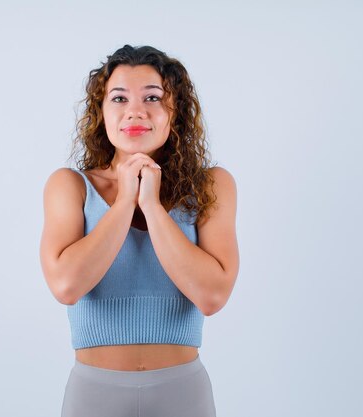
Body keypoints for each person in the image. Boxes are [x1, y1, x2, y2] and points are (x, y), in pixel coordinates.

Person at [39, 44, 239, 417]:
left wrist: (150, 203)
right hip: (94, 393)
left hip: (183, 392)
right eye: (119, 98)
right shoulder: (70, 185)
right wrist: (124, 199)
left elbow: (212, 296)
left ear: (174, 112)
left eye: (153, 97)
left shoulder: (211, 185)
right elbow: (66, 286)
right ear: (102, 112)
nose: (135, 110)